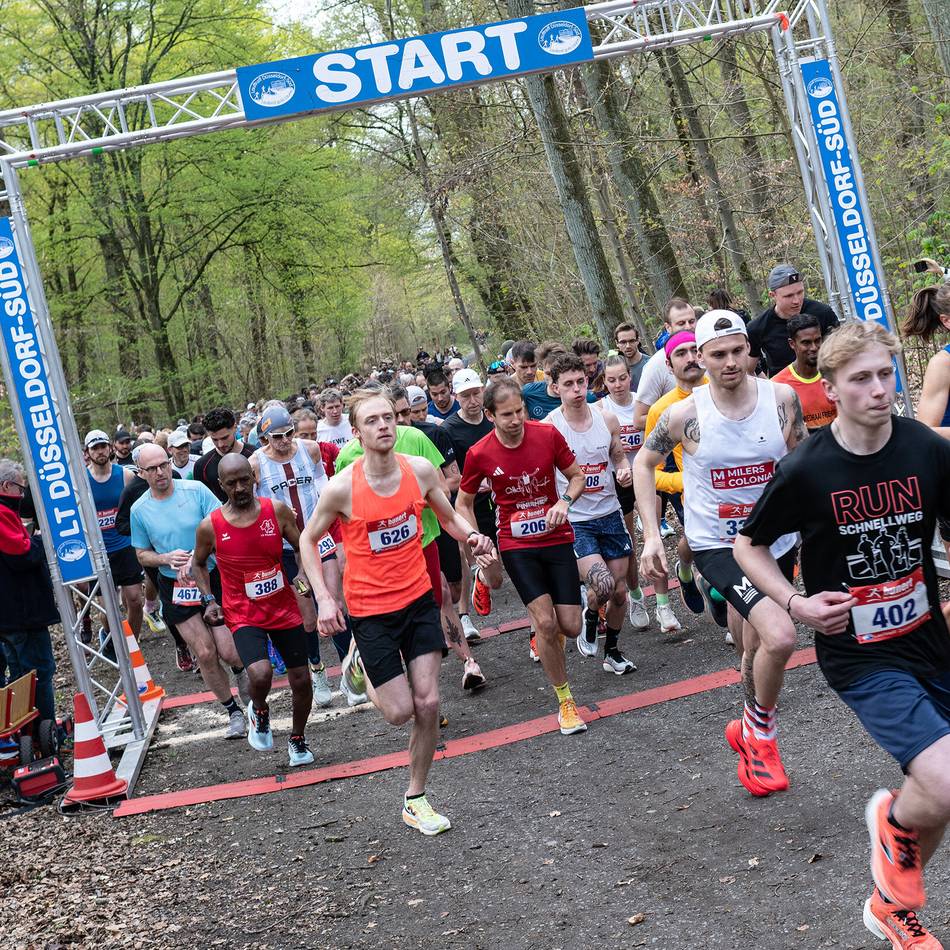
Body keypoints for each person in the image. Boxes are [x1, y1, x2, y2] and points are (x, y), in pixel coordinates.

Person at [735, 320, 950, 948]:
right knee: (939, 780)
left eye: (887, 374)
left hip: (930, 640)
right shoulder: (808, 468)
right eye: (862, 379)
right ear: (830, 387)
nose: (880, 389)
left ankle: (892, 904)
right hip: (860, 655)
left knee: (935, 793)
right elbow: (748, 546)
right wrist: (795, 604)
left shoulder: (926, 448)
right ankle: (889, 833)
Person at [300, 389, 496, 835]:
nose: (384, 425)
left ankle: (416, 797)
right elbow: (308, 541)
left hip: (418, 600)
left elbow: (448, 519)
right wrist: (325, 599)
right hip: (370, 612)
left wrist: (472, 537)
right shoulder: (342, 488)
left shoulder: (420, 470)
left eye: (388, 417)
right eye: (372, 420)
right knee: (399, 712)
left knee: (428, 702)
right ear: (356, 432)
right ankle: (358, 663)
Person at [634, 310, 807, 798]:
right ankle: (764, 738)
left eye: (738, 351)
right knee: (781, 634)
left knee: (756, 646)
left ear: (749, 350)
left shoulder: (781, 398)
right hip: (718, 544)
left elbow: (801, 459)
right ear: (700, 359)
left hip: (775, 541)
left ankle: (747, 729)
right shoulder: (684, 414)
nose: (730, 362)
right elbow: (644, 464)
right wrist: (651, 535)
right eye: (718, 354)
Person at [456, 377, 589, 732]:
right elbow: (463, 502)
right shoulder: (479, 452)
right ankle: (566, 701)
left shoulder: (546, 435)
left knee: (571, 627)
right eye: (506, 414)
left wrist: (565, 500)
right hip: (516, 544)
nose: (515, 420)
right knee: (545, 622)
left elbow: (577, 477)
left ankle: (547, 643)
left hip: (556, 535)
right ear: (490, 415)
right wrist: (475, 538)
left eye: (519, 411)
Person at [193, 455, 314, 766]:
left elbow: (303, 545)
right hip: (242, 610)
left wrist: (301, 573)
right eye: (231, 483)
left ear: (253, 478)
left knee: (301, 679)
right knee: (260, 673)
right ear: (221, 486)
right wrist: (209, 600)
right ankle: (259, 710)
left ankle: (298, 740)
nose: (239, 488)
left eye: (244, 480)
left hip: (283, 607)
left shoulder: (276, 511)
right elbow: (198, 564)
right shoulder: (211, 526)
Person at [131, 443, 250, 738]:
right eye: (153, 469)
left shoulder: (195, 490)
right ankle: (233, 711)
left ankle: (245, 684)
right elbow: (142, 554)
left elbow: (222, 523)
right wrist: (166, 559)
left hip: (210, 575)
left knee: (229, 651)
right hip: (174, 585)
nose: (161, 472)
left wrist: (196, 556)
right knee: (206, 653)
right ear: (141, 473)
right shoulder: (139, 509)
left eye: (164, 464)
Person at [250, 405, 350, 706]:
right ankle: (318, 669)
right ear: (265, 438)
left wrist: (324, 506)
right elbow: (252, 507)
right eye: (276, 437)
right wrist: (274, 514)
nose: (283, 441)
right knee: (307, 618)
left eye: (288, 434)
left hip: (319, 538)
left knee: (334, 603)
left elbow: (323, 483)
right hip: (287, 549)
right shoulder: (255, 463)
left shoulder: (311, 450)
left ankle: (349, 671)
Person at [546, 354, 637, 674]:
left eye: (580, 382)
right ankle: (589, 608)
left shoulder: (607, 419)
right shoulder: (549, 429)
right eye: (567, 384)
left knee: (621, 592)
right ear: (554, 388)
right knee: (604, 585)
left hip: (610, 513)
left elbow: (618, 457)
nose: (576, 390)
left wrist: (624, 470)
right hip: (576, 520)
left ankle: (612, 651)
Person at [389, 386, 486, 682]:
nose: (399, 421)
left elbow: (445, 486)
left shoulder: (420, 437)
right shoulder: (350, 456)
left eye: (404, 413)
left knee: (449, 591)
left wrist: (471, 535)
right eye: (393, 415)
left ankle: (457, 653)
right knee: (428, 601)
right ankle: (468, 663)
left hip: (428, 533)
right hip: (388, 553)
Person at [642, 334, 711, 632]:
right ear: (669, 366)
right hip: (695, 497)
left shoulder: (725, 391)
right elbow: (648, 470)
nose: (691, 357)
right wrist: (682, 481)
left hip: (738, 493)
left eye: (696, 350)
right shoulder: (662, 409)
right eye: (681, 353)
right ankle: (686, 572)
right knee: (693, 545)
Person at [0, 459, 58, 725]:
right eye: (20, 489)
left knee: (24, 673)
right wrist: (39, 541)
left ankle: (27, 731)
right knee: (35, 673)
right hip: (19, 613)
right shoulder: (2, 513)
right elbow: (21, 554)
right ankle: (37, 731)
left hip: (17, 612)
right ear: (6, 486)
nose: (22, 496)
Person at [599, 355, 653, 631]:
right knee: (630, 543)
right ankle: (636, 595)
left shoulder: (642, 403)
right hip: (618, 482)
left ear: (630, 376)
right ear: (604, 382)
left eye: (622, 378)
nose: (618, 384)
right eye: (611, 380)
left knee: (651, 535)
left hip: (648, 476)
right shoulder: (601, 410)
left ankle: (665, 603)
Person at [84, 429, 145, 646]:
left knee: (136, 601)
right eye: (95, 448)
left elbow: (137, 507)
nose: (100, 451)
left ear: (110, 448)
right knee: (108, 610)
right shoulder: (81, 480)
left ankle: (132, 644)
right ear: (87, 452)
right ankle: (110, 635)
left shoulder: (125, 475)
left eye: (103, 446)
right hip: (98, 552)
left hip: (124, 545)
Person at [747, 264, 840, 376]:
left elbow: (840, 352)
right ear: (772, 295)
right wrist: (769, 387)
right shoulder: (758, 327)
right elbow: (748, 370)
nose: (796, 301)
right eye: (789, 296)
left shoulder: (822, 312)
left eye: (800, 292)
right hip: (784, 388)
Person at [632, 298, 698, 431]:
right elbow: (639, 420)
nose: (688, 327)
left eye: (691, 321)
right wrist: (682, 416)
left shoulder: (710, 353)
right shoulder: (656, 364)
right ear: (668, 327)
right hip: (678, 445)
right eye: (681, 323)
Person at [772, 313, 837, 431]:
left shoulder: (836, 375)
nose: (813, 347)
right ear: (792, 344)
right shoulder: (778, 385)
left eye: (817, 340)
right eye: (806, 343)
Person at [192, 407, 256, 503]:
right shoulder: (202, 466)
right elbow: (202, 502)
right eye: (215, 439)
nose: (220, 444)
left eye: (225, 437)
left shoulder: (255, 455)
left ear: (235, 428)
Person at [613, 323, 649, 392]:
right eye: (623, 342)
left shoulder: (650, 364)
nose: (628, 346)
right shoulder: (614, 369)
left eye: (631, 341)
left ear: (638, 341)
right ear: (617, 343)